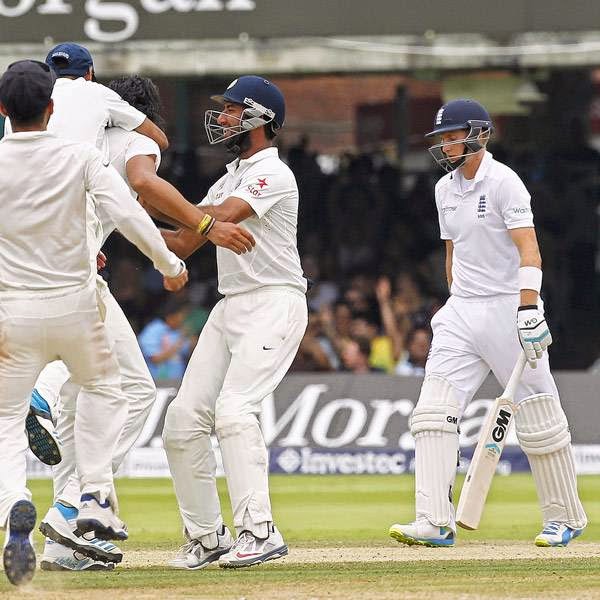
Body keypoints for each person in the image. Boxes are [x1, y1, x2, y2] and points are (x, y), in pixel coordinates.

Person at [32, 75, 254, 572]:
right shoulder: (134, 140)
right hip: (76, 278)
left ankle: (61, 546)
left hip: (41, 270)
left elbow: (127, 207)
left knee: (76, 413)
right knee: (132, 391)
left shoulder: (60, 140)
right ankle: (75, 504)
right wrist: (203, 225)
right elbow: (143, 184)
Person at [0, 60, 187, 585]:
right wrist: (170, 266)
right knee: (109, 390)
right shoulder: (83, 156)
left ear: (1, 111)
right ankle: (91, 496)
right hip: (77, 306)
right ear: (52, 107)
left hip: (12, 312)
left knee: (5, 420)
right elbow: (130, 215)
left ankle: (16, 502)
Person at [389, 98, 587, 548]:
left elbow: (529, 251)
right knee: (433, 413)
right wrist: (453, 302)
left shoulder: (505, 184)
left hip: (508, 308)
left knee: (538, 412)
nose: (444, 144)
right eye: (441, 137)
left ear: (477, 134)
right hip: (462, 308)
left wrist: (529, 307)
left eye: (452, 135)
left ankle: (565, 517)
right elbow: (452, 252)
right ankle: (434, 520)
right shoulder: (444, 189)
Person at [160, 76, 308, 569]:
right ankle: (207, 537)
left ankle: (259, 532)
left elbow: (222, 216)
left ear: (260, 119)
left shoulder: (272, 173)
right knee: (182, 422)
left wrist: (148, 194)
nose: (220, 118)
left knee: (234, 411)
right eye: (221, 110)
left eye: (229, 110)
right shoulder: (225, 178)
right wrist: (121, 212)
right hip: (232, 305)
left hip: (274, 301)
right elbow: (183, 243)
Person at [138, 297, 191, 381]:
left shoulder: (179, 331)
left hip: (178, 382)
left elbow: (188, 352)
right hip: (157, 383)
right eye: (180, 315)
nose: (182, 319)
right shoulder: (153, 330)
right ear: (170, 317)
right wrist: (178, 343)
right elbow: (155, 359)